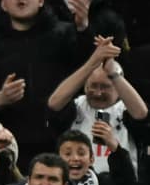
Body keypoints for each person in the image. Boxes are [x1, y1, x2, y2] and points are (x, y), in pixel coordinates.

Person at [0, 0, 93, 172]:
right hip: (13, 148)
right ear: (3, 4)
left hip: (62, 141)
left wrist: (83, 28)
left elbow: (90, 69)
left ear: (41, 0)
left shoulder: (66, 34)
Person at [47, 35, 148, 176]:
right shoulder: (76, 107)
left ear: (118, 87)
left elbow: (141, 114)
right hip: (76, 184)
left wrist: (114, 73)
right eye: (93, 86)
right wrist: (92, 63)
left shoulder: (127, 108)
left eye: (105, 87)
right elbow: (53, 103)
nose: (98, 93)